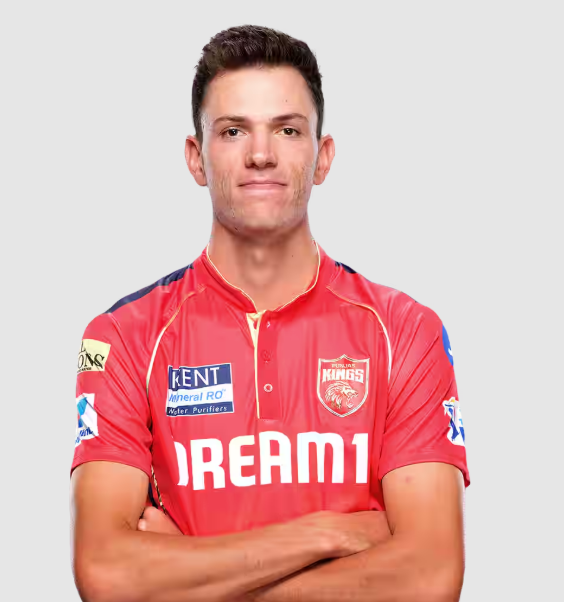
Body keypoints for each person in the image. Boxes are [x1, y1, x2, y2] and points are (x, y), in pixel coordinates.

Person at [70, 24, 469, 602]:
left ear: (322, 157)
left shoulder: (405, 330)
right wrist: (328, 533)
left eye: (287, 129)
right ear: (196, 158)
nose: (261, 154)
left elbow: (430, 578)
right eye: (233, 131)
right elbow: (107, 575)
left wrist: (190, 574)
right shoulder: (123, 338)